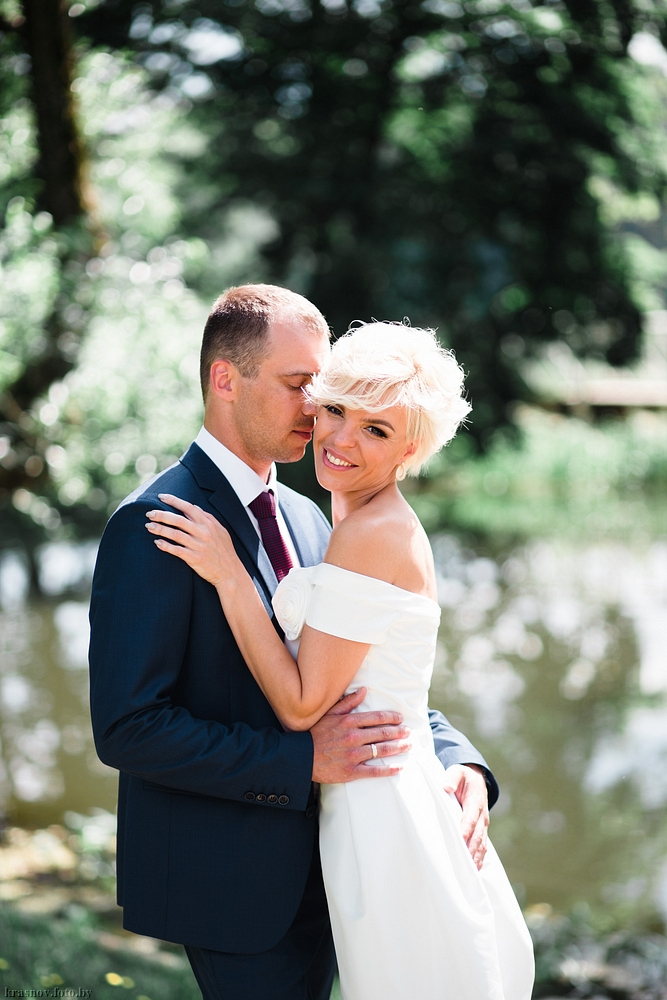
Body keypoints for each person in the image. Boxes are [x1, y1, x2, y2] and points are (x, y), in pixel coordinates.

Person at [89, 285, 500, 1000]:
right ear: (225, 379)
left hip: (343, 861)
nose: (316, 408)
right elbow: (129, 729)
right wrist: (300, 760)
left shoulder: (314, 516)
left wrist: (457, 759)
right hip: (233, 879)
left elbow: (357, 674)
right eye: (297, 385)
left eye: (323, 387)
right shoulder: (156, 523)